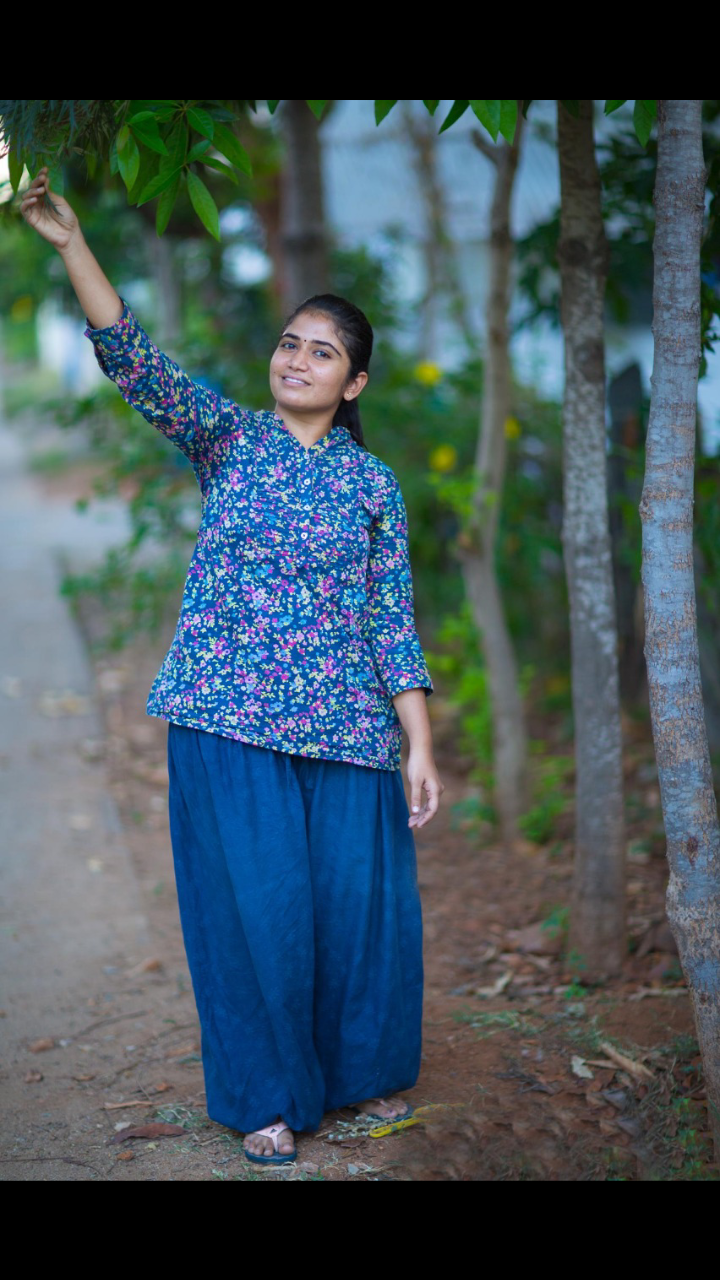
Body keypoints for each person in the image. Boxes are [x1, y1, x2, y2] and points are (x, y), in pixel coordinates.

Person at [21, 166, 445, 1165]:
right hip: (227, 718)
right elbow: (133, 359)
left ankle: (347, 1079)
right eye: (291, 342)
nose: (298, 358)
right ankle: (265, 1098)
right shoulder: (230, 440)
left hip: (347, 732)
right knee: (258, 916)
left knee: (349, 915)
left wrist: (420, 745)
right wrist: (72, 242)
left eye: (323, 351)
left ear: (355, 384)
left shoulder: (373, 485)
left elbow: (391, 620)